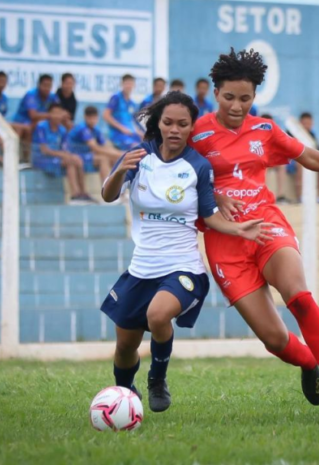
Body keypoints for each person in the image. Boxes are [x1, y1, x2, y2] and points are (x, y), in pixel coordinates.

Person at [189, 48, 319, 411]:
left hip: (267, 226)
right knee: (273, 338)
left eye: (246, 98)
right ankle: (308, 362)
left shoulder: (265, 129)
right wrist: (213, 193)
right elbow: (178, 175)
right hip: (224, 243)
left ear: (255, 97)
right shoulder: (196, 132)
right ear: (215, 91)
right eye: (229, 97)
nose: (237, 106)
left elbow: (312, 157)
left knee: (297, 295)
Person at [101, 91, 275, 412]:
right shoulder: (137, 156)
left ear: (191, 127)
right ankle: (123, 398)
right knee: (125, 345)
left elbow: (209, 216)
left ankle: (157, 379)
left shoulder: (198, 165)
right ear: (158, 124)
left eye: (183, 124)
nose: (175, 129)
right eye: (168, 122)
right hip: (142, 268)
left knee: (157, 315)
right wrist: (117, 171)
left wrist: (239, 228)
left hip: (183, 267)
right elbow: (108, 195)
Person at [32, 104, 93, 204]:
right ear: (49, 114)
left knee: (77, 160)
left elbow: (65, 149)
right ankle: (74, 195)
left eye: (59, 113)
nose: (57, 116)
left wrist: (72, 156)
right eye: (54, 113)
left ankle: (82, 193)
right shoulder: (41, 126)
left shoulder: (62, 130)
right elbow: (44, 150)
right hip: (41, 159)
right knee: (69, 161)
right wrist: (65, 156)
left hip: (56, 159)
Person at [66, 106, 122, 184]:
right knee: (103, 159)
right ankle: (106, 189)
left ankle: (120, 191)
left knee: (114, 159)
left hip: (86, 155)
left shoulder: (96, 129)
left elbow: (104, 147)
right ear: (85, 117)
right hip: (74, 155)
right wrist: (120, 154)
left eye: (94, 118)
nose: (93, 121)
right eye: (90, 118)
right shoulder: (82, 128)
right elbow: (95, 148)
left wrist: (118, 154)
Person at [0, 71, 31, 155]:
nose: (1, 84)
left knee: (22, 128)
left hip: (0, 123)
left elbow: (3, 115)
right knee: (5, 136)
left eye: (3, 81)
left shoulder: (4, 98)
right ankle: (9, 157)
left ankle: (23, 157)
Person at [103, 74, 144, 150]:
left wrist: (139, 132)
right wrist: (122, 128)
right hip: (118, 134)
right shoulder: (116, 98)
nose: (128, 86)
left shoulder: (132, 104)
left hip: (130, 134)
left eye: (130, 83)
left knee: (146, 146)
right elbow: (106, 115)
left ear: (134, 85)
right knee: (135, 148)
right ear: (122, 84)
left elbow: (131, 122)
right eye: (126, 83)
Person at [286, 112, 319, 203]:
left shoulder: (312, 135)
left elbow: (316, 151)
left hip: (307, 160)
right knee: (300, 164)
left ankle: (317, 196)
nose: (307, 126)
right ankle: (300, 196)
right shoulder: (291, 133)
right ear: (299, 124)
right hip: (290, 161)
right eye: (304, 123)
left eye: (309, 124)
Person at [260, 113, 288, 204]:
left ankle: (280, 196)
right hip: (257, 162)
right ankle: (262, 196)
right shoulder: (254, 133)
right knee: (262, 165)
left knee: (282, 165)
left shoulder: (275, 133)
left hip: (269, 160)